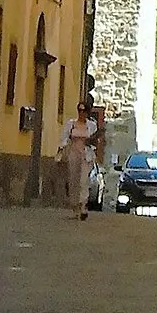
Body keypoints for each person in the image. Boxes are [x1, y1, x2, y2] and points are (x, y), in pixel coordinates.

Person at [57, 90, 103, 222]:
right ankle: (74, 206)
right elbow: (64, 138)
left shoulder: (91, 126)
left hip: (86, 155)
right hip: (73, 154)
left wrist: (93, 143)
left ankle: (83, 206)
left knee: (83, 181)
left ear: (87, 112)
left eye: (83, 110)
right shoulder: (71, 124)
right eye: (79, 110)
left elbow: (96, 141)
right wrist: (62, 148)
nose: (81, 113)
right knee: (73, 181)